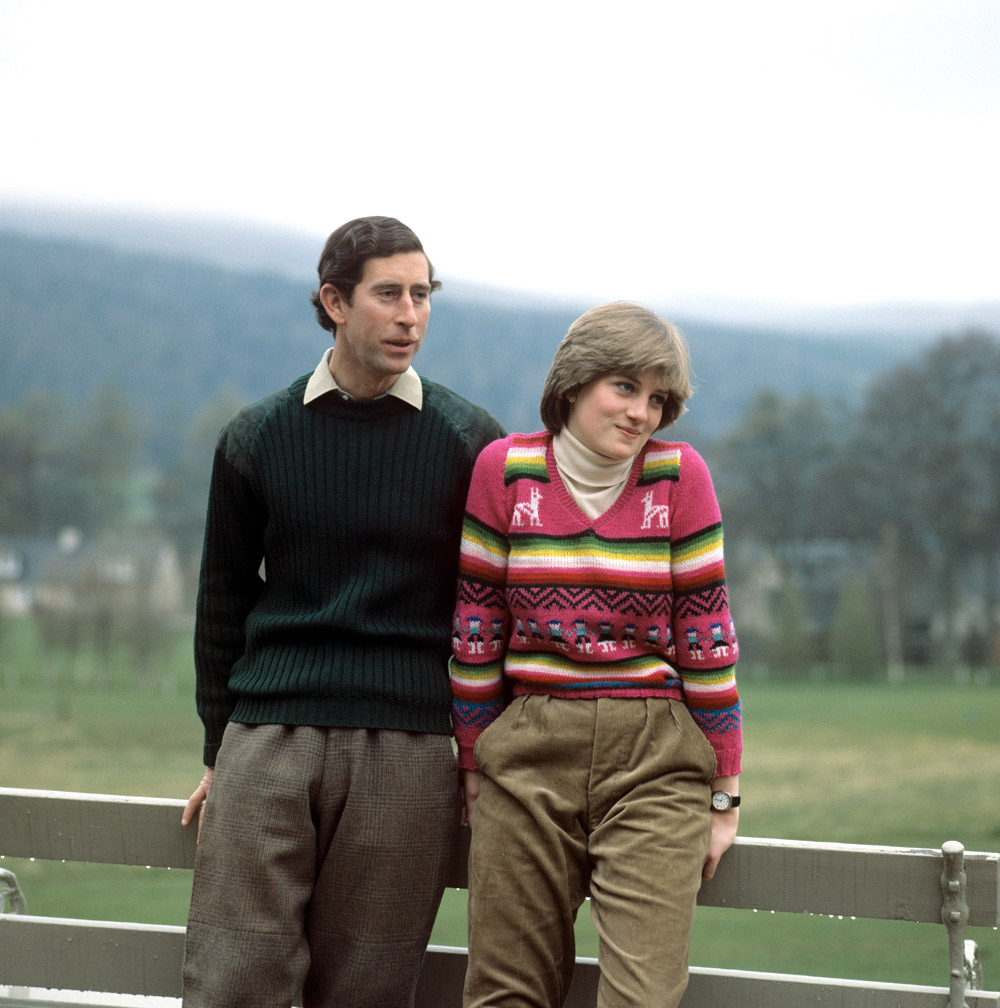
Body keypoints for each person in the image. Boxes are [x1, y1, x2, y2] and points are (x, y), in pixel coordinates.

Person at [180, 215, 505, 1008]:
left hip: (410, 747)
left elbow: (492, 615)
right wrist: (220, 747)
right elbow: (224, 597)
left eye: (423, 296)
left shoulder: (471, 444)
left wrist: (476, 754)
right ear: (333, 301)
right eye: (388, 295)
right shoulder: (256, 437)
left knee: (367, 986)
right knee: (233, 977)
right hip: (269, 737)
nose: (410, 316)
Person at [450, 302, 742, 1008]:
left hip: (655, 756)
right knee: (504, 993)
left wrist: (725, 790)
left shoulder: (678, 476)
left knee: (643, 996)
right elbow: (476, 626)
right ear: (576, 381)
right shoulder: (506, 470)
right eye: (624, 387)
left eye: (658, 397)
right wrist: (475, 756)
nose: (643, 412)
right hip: (526, 751)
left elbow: (708, 636)